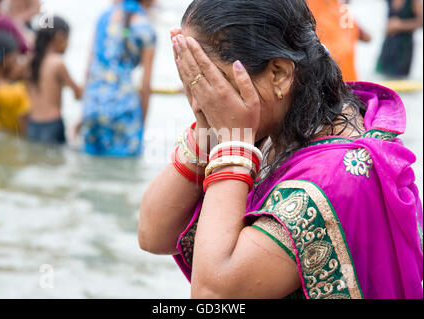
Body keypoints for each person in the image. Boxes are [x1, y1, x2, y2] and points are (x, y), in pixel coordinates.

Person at [139, 0, 423, 299]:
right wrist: (211, 130)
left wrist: (232, 143)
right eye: (195, 83)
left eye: (214, 81)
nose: (204, 100)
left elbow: (213, 295)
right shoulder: (277, 123)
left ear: (278, 73)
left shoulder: (336, 176)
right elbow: (154, 234)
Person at [80, 0, 156, 157]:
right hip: (123, 109)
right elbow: (145, 85)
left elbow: (89, 69)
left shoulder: (104, 17)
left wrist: (83, 112)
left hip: (93, 104)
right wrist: (141, 125)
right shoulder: (146, 29)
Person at [26, 16, 82, 145]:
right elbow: (78, 94)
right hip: (52, 125)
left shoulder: (30, 61)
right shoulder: (57, 63)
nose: (68, 44)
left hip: (32, 125)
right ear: (59, 36)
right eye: (67, 39)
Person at [306, 0, 371, 82]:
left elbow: (366, 37)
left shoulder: (341, 10)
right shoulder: (314, 8)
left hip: (344, 80)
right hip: (329, 80)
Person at [377, 0, 423, 78]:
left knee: (399, 77)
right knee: (381, 75)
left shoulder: (414, 2)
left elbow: (421, 22)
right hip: (387, 45)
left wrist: (400, 25)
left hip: (403, 49)